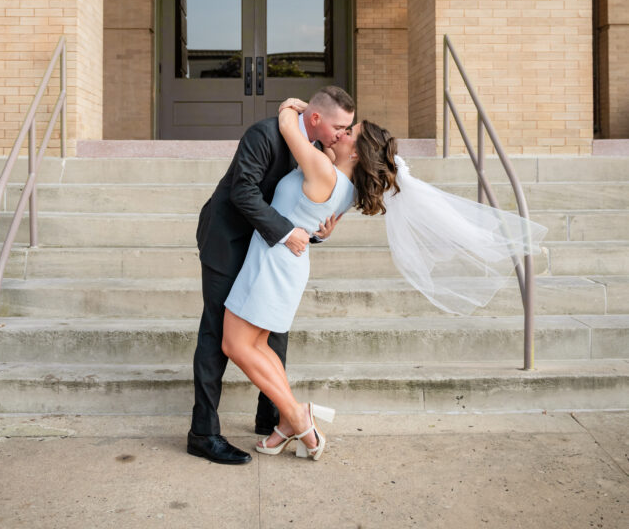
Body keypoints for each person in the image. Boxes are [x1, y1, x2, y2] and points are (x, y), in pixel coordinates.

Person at [221, 104, 548, 463]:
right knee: (258, 345)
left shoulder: (322, 171)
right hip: (285, 263)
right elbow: (322, 202)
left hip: (273, 263)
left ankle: (299, 418)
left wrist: (298, 107)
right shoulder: (344, 184)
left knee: (236, 345)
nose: (341, 134)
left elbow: (287, 123)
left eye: (349, 132)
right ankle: (288, 421)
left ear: (357, 151)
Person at [187, 86, 356, 466]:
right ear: (315, 118)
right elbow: (242, 193)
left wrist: (317, 231)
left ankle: (273, 417)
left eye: (348, 130)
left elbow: (304, 203)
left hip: (267, 249)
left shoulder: (318, 151)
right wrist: (287, 232)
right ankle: (203, 433)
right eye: (339, 126)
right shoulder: (264, 134)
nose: (342, 135)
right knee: (217, 333)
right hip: (228, 241)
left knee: (275, 333)